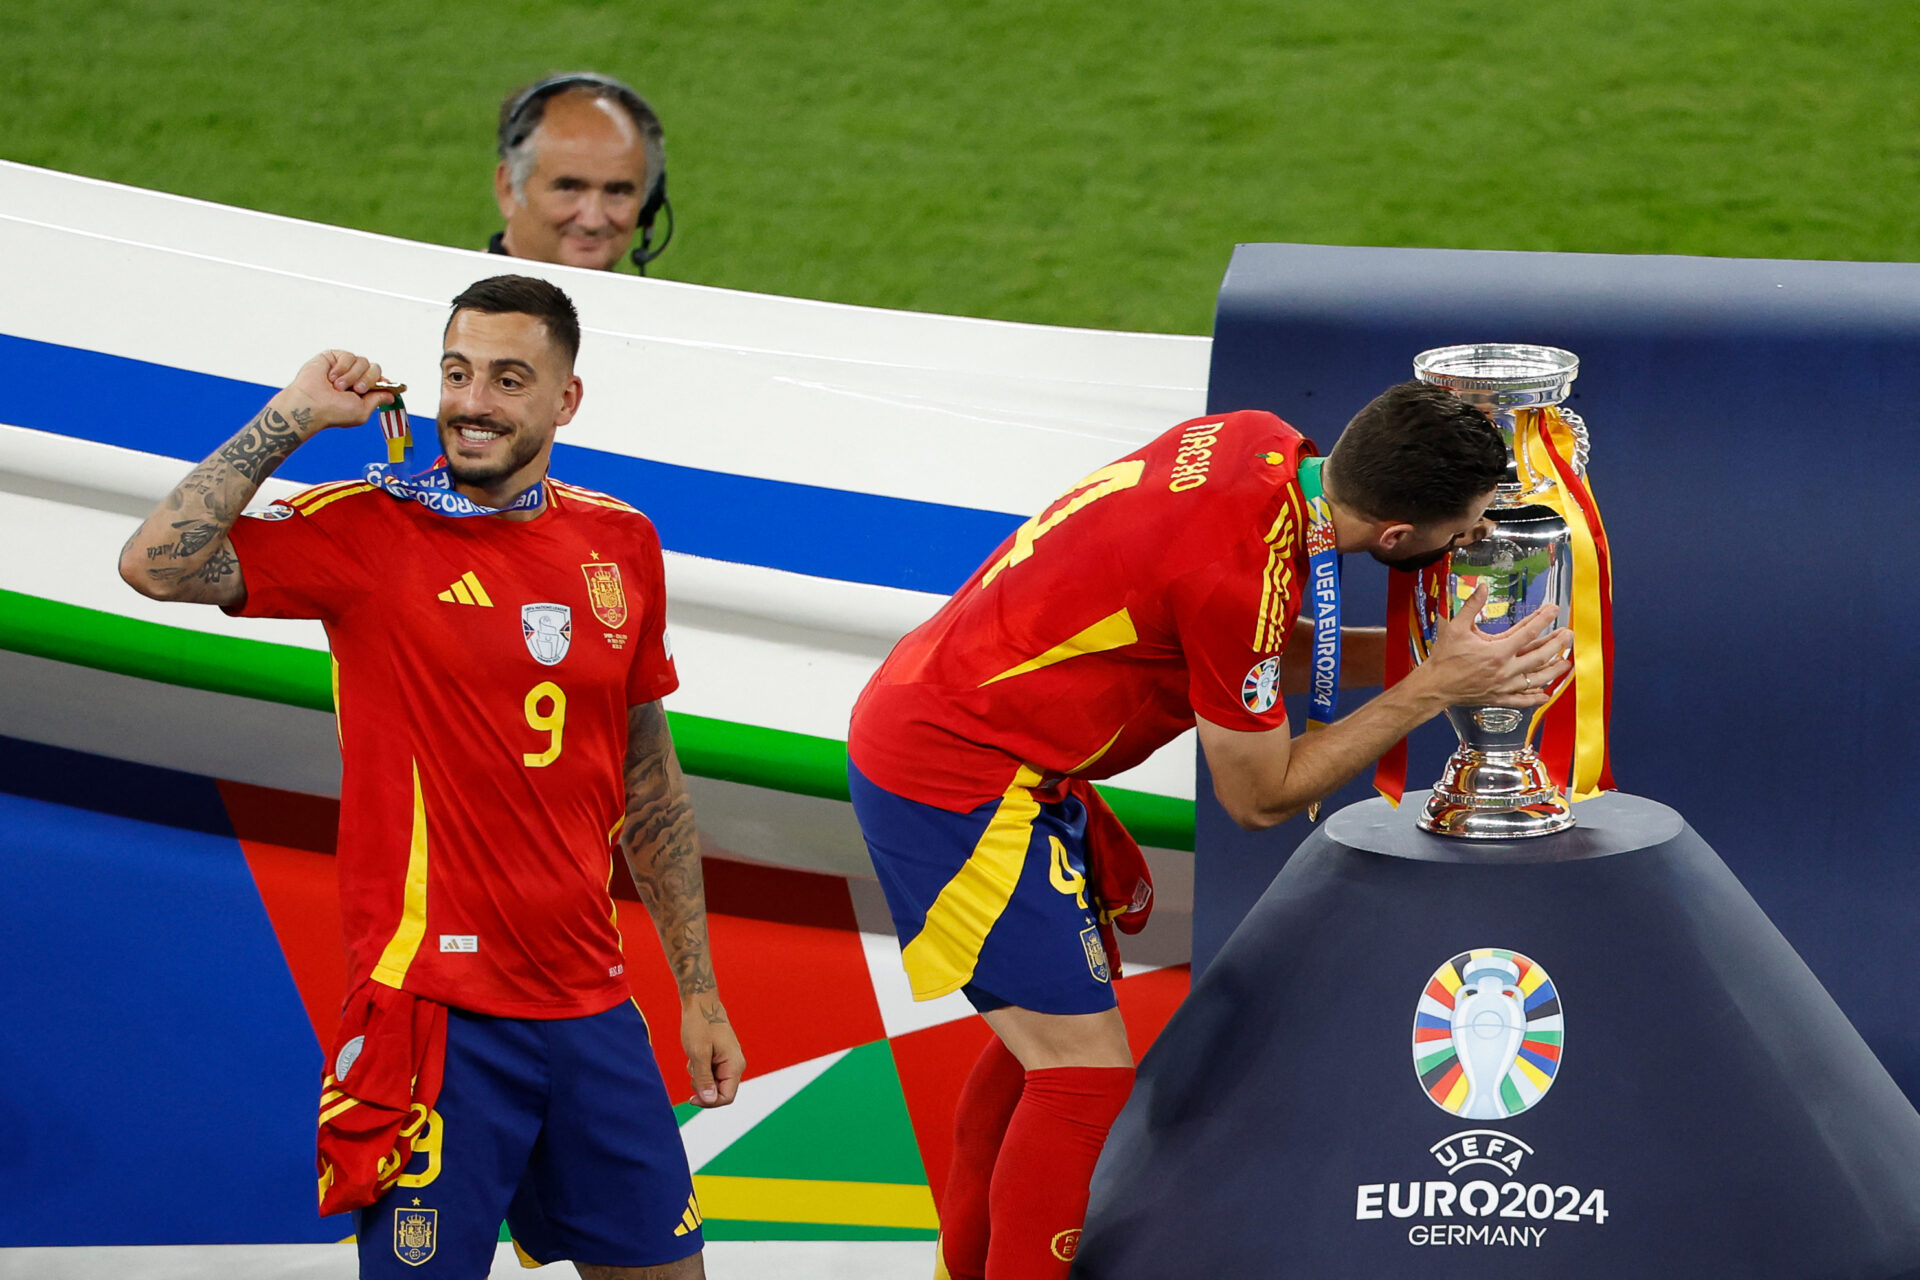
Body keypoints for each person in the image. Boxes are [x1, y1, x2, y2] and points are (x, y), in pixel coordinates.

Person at [846, 382, 1571, 1280]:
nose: (1462, 545)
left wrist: (1446, 660)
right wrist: (1435, 688)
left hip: (980, 741)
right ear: (1395, 537)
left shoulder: (1253, 445)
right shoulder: (1237, 569)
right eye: (1458, 531)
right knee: (1082, 1073)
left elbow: (1242, 642)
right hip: (959, 775)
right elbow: (1261, 797)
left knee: (1034, 1042)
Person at [118, 275, 740, 1278]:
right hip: (435, 1017)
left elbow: (649, 778)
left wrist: (698, 990)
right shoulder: (365, 530)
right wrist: (289, 416)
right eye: (457, 373)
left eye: (507, 377)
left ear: (565, 401)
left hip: (592, 1009)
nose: (472, 402)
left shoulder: (620, 542)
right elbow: (155, 562)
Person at [491, 73, 672, 274]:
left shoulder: (656, 306)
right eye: (568, 188)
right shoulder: (453, 302)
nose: (592, 222)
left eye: (618, 192)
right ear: (508, 189)